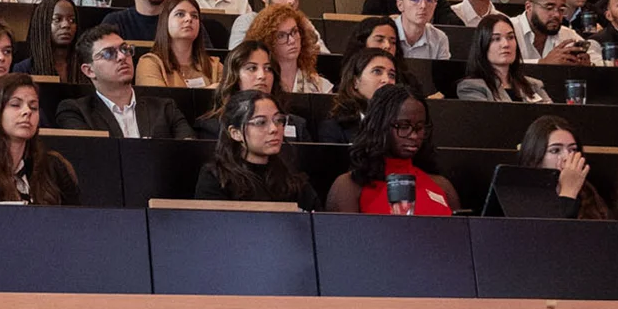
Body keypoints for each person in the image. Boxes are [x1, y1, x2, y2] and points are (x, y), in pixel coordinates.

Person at [322, 84, 457, 214]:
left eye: (419, 127)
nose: (414, 135)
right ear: (380, 125)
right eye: (403, 126)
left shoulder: (442, 186)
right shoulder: (349, 186)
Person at [0, 74, 80, 204]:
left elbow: (78, 221)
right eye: (15, 104)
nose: (27, 111)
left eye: (33, 107)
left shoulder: (54, 168)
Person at [55, 24, 194, 139]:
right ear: (89, 71)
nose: (122, 56)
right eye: (108, 53)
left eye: (124, 49)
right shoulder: (76, 112)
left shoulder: (165, 108)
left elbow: (187, 151)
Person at [195, 90, 320, 209]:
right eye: (261, 122)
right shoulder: (216, 178)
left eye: (278, 120)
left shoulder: (292, 178)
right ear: (235, 133)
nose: (274, 129)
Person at [194, 41, 301, 142]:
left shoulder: (297, 124)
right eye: (252, 68)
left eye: (268, 68)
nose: (262, 76)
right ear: (235, 76)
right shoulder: (211, 127)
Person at [517, 116, 612, 220]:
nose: (567, 157)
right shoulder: (522, 199)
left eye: (573, 150)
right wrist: (568, 194)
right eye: (555, 150)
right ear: (534, 158)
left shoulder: (589, 194)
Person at [457, 13, 550, 102]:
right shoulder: (472, 87)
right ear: (483, 44)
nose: (506, 44)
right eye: (496, 39)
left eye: (510, 37)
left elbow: (550, 117)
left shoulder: (534, 85)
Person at [313, 48, 398, 144]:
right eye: (377, 71)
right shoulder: (333, 128)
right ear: (355, 81)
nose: (386, 80)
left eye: (391, 75)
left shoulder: (401, 124)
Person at [136, 0, 222, 88]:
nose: (189, 19)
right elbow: (159, 101)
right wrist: (209, 92)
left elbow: (228, 100)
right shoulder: (150, 63)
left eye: (194, 16)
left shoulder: (215, 66)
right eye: (180, 14)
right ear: (165, 21)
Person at [246, 3, 332, 95]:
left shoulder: (322, 87)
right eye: (281, 36)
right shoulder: (259, 84)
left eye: (294, 31)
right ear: (268, 42)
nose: (291, 40)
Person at [512, 0, 594, 66]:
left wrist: (588, 66)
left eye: (561, 9)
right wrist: (543, 63)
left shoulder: (567, 35)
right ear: (529, 7)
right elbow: (499, 64)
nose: (557, 15)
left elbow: (598, 60)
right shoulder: (509, 29)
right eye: (549, 8)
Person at [388, 0, 452, 62]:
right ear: (400, 5)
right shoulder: (385, 33)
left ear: (435, 5)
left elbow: (443, 75)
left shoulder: (439, 38)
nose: (423, 6)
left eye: (429, 0)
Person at [15, 0, 78, 81]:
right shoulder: (24, 69)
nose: (66, 25)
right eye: (57, 19)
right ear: (43, 24)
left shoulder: (87, 66)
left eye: (71, 20)